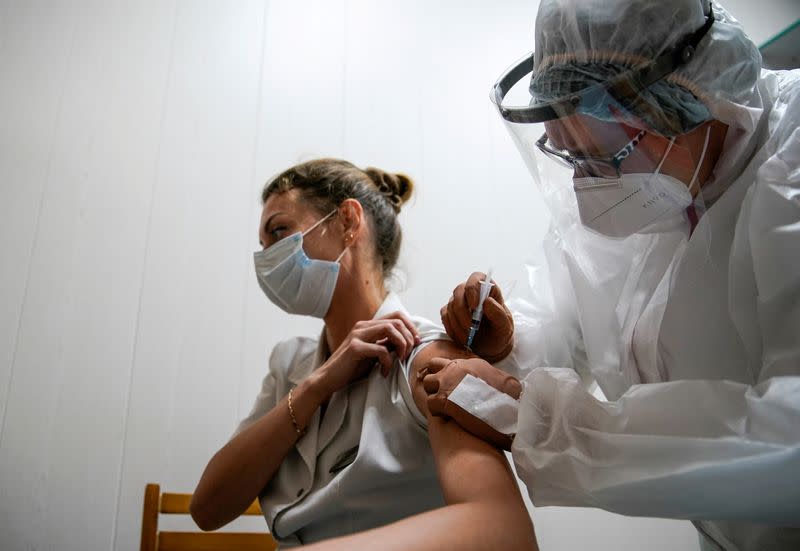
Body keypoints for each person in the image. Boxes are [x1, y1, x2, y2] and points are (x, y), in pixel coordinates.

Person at [425, 1, 800, 550]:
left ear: (685, 95)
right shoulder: (657, 184)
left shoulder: (787, 166)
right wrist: (511, 343)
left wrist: (542, 425)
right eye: (570, 158)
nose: (589, 187)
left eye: (604, 154)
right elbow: (574, 322)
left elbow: (788, 435)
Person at [190, 159, 537, 550]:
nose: (267, 259)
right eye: (263, 246)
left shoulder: (421, 355)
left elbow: (505, 534)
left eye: (279, 231)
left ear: (348, 221)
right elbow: (207, 509)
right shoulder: (289, 365)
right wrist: (315, 387)